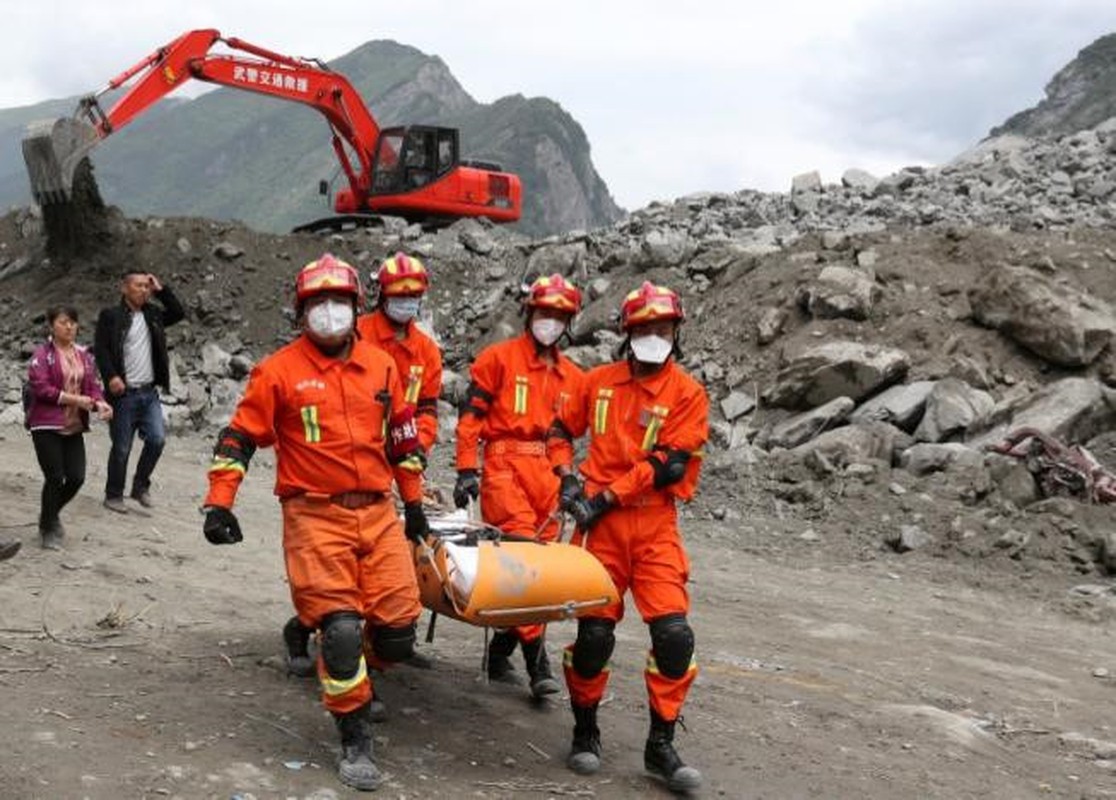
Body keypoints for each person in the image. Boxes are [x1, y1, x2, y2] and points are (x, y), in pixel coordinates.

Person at [202, 254, 429, 793]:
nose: (329, 312)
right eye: (317, 303)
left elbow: (402, 435)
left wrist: (414, 501)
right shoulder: (278, 371)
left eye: (338, 302)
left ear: (356, 307)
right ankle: (353, 735)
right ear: (301, 311)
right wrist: (219, 503)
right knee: (344, 629)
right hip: (313, 513)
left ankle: (352, 669)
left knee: (397, 635)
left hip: (377, 511)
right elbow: (238, 439)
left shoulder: (382, 366)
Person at [547, 281, 708, 793]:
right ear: (626, 332)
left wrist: (605, 497)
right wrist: (567, 479)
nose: (653, 336)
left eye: (662, 328)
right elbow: (557, 431)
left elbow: (667, 465)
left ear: (676, 333)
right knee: (594, 636)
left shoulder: (688, 394)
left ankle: (660, 744)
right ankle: (585, 730)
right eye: (644, 328)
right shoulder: (597, 382)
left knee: (675, 636)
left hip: (653, 524)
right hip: (601, 529)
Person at [283, 251, 442, 680]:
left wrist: (416, 448)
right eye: (398, 294)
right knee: (337, 580)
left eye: (413, 295)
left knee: (383, 574)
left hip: (389, 457)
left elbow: (425, 407)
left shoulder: (426, 350)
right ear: (380, 295)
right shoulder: (359, 334)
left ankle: (379, 643)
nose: (406, 301)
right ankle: (320, 639)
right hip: (343, 456)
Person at [453, 273, 584, 699]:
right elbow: (471, 419)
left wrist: (569, 480)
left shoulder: (574, 377)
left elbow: (571, 436)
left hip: (548, 470)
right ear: (529, 313)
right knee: (526, 557)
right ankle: (537, 663)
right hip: (505, 463)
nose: (551, 322)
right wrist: (466, 469)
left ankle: (503, 649)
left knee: (543, 574)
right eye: (544, 313)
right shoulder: (498, 359)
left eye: (559, 316)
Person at [93, 270, 184, 512]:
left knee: (157, 440)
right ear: (124, 288)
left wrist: (161, 290)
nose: (144, 290)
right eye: (138, 286)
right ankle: (113, 495)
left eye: (147, 286)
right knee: (122, 447)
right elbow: (100, 349)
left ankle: (140, 486)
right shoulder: (110, 316)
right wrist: (111, 376)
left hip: (149, 392)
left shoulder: (153, 314)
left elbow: (178, 313)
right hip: (123, 395)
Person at [26, 305, 113, 549]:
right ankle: (48, 527)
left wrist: (101, 403)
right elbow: (41, 388)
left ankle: (48, 516)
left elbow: (92, 387)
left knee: (76, 477)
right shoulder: (42, 356)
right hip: (46, 424)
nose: (69, 327)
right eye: (63, 322)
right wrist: (75, 400)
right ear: (51, 326)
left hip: (73, 425)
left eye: (73, 322)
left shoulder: (83, 355)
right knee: (54, 477)